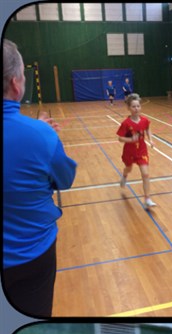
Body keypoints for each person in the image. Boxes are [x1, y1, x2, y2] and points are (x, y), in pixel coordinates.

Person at [2, 38, 77, 318]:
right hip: (31, 254)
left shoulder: (37, 132)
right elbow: (65, 179)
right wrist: (41, 135)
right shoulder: (40, 135)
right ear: (15, 84)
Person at [116, 93, 156, 208]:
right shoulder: (126, 123)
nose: (136, 108)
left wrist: (151, 140)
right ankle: (124, 176)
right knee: (128, 168)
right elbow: (120, 138)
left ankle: (147, 199)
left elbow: (148, 129)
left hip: (142, 150)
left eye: (138, 106)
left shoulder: (145, 120)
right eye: (133, 106)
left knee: (145, 174)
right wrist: (130, 139)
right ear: (128, 108)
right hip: (129, 151)